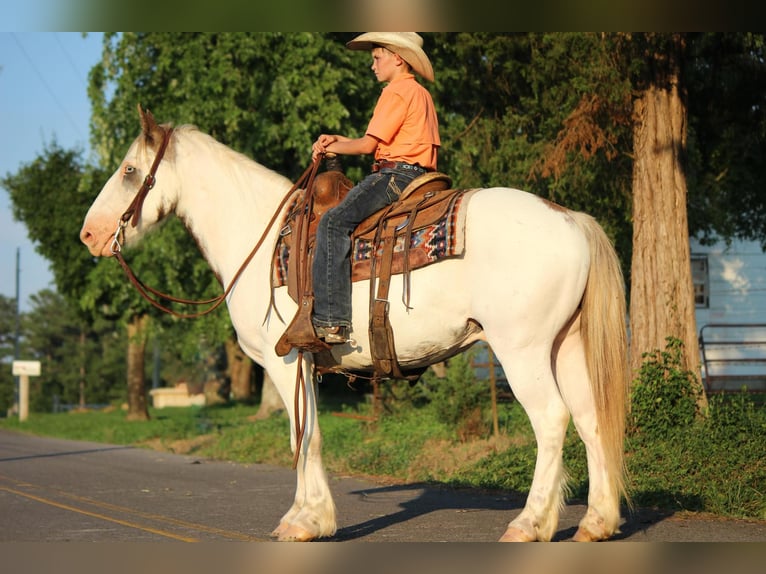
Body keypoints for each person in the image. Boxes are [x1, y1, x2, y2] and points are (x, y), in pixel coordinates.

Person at [311, 32, 441, 344]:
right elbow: (377, 142)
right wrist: (335, 141)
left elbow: (369, 145)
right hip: (418, 176)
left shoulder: (395, 92)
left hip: (394, 177)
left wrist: (338, 146)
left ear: (398, 58)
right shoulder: (419, 93)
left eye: (377, 57)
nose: (372, 65)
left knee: (332, 223)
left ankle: (332, 320)